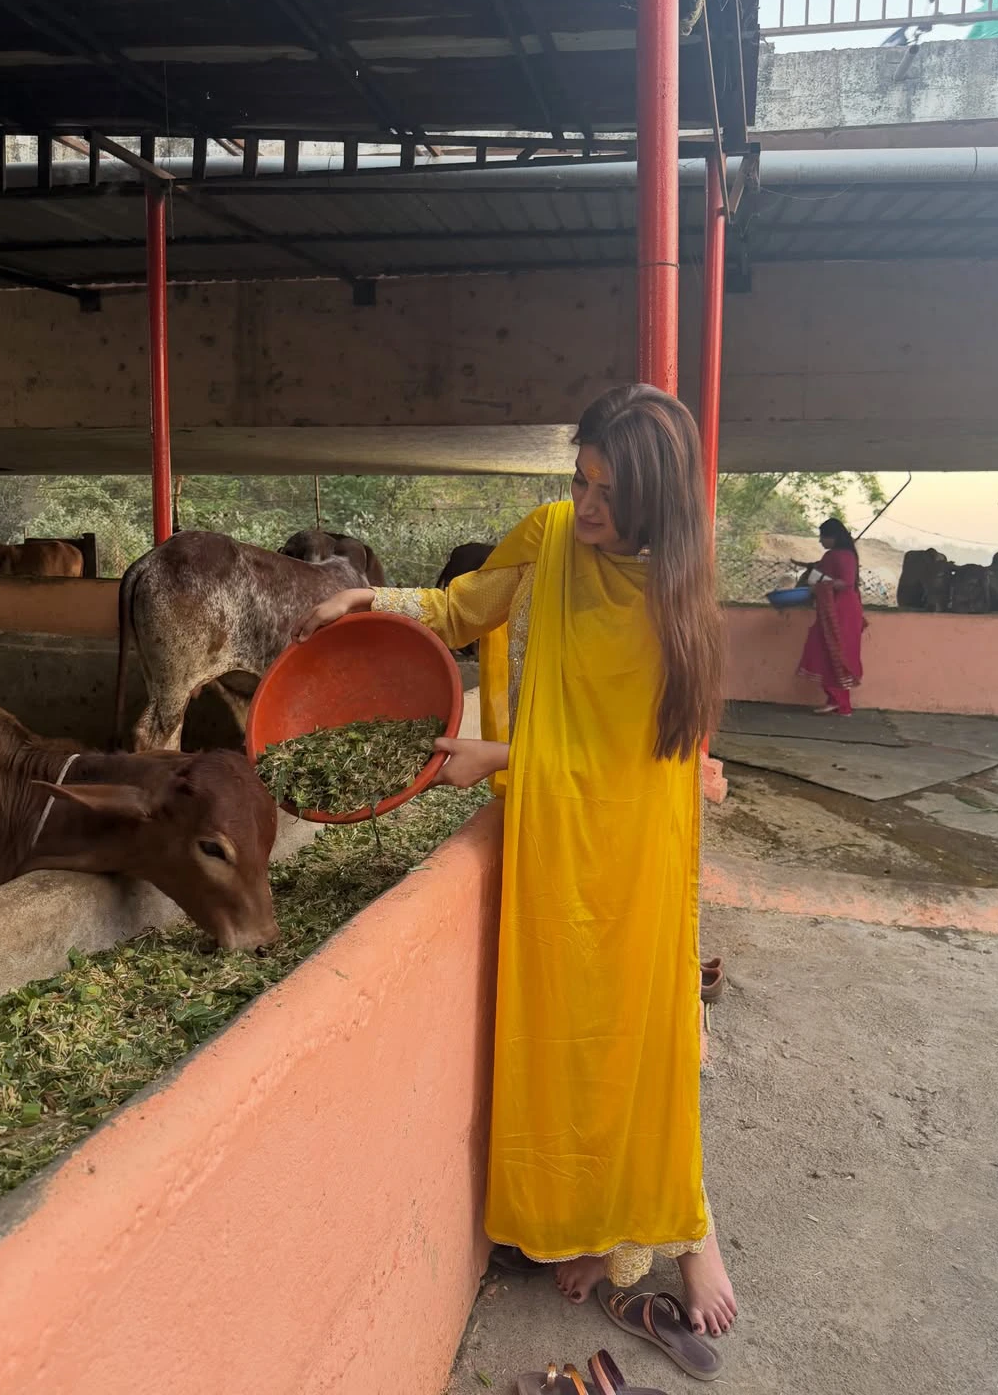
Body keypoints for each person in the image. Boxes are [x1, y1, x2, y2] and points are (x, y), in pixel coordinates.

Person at [299, 385, 738, 1338]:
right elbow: (466, 607)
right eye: (580, 481)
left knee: (645, 1026)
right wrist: (374, 599)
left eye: (608, 494)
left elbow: (645, 754)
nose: (585, 506)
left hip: (643, 843)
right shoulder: (547, 535)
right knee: (561, 1031)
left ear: (657, 501)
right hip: (556, 840)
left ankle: (685, 1228)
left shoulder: (680, 589)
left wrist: (498, 759)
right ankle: (579, 1226)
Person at [797, 517, 865, 717]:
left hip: (839, 611)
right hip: (840, 609)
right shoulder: (844, 555)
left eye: (822, 536)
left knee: (833, 651)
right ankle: (836, 700)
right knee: (832, 650)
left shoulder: (838, 556)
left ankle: (840, 702)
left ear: (832, 537)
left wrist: (818, 585)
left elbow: (845, 583)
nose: (820, 541)